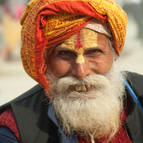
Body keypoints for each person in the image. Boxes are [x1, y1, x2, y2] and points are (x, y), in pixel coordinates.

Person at [0, 0, 143, 142]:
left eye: (94, 52)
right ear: (45, 62)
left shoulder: (139, 94)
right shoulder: (15, 130)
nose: (81, 72)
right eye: (65, 54)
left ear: (114, 55)